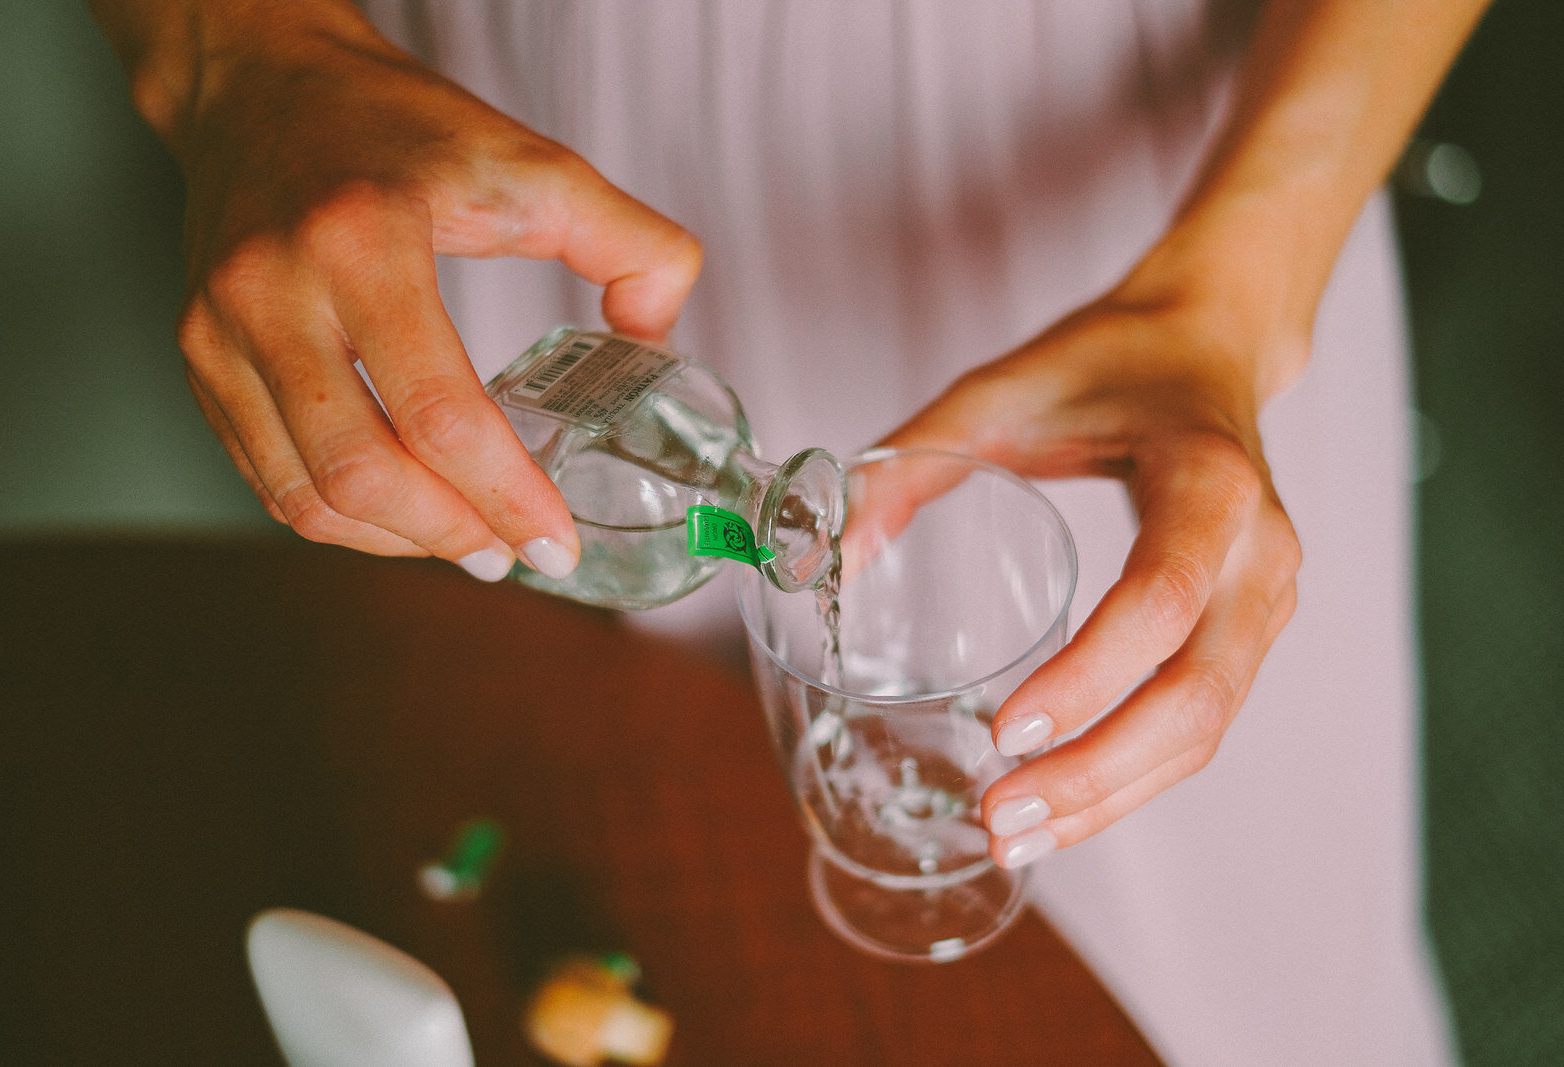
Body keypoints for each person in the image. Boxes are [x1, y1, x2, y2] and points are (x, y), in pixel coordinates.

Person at [87, 1, 1490, 1062]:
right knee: (651, 874)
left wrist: (1232, 298)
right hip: (529, 138)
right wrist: (248, 56)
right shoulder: (676, 456)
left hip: (1158, 221)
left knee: (1236, 948)